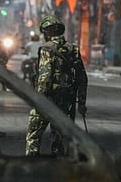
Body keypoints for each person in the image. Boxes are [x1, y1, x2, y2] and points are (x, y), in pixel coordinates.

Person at [25, 14, 87, 156]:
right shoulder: (73, 49)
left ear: (47, 33)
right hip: (66, 101)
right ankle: (59, 163)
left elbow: (45, 77)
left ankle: (30, 163)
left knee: (33, 135)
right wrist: (82, 103)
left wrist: (38, 98)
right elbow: (82, 77)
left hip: (48, 99)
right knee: (58, 138)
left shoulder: (47, 49)